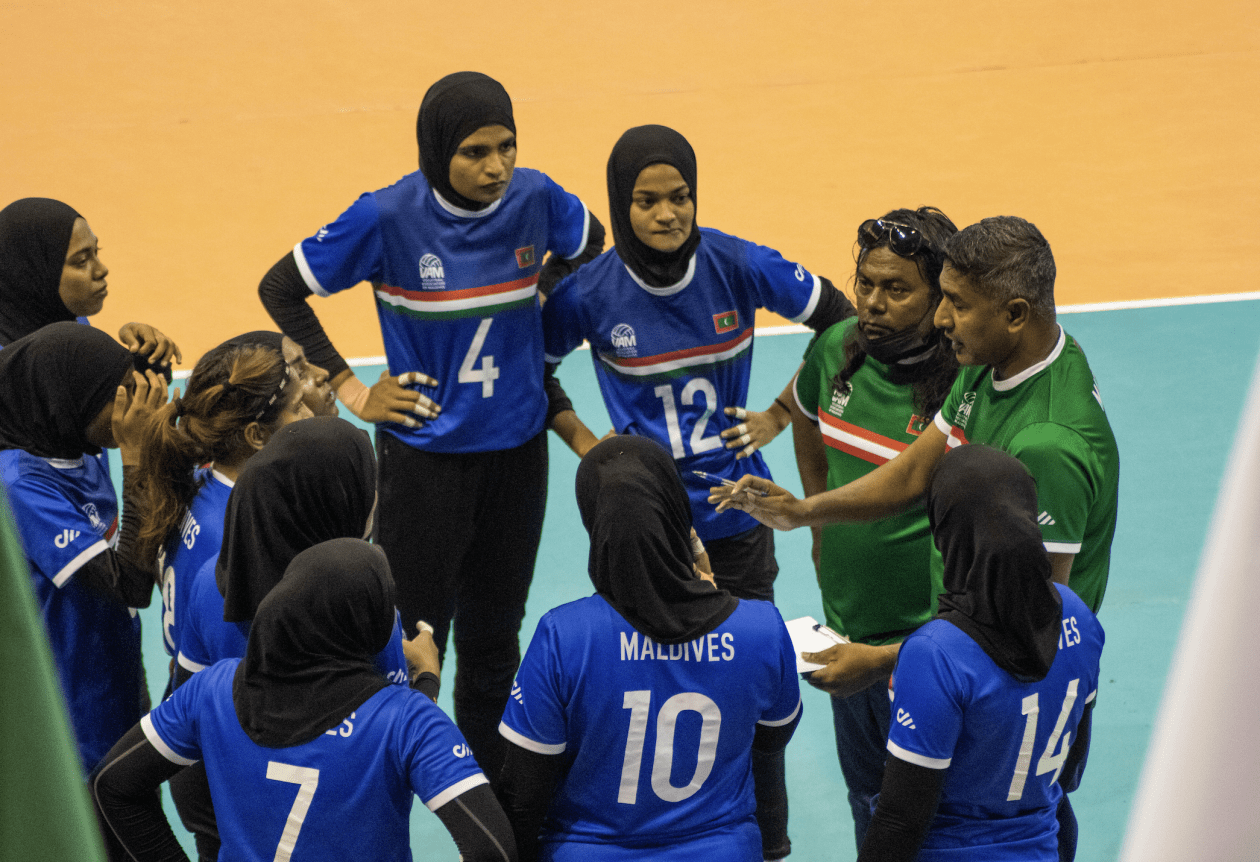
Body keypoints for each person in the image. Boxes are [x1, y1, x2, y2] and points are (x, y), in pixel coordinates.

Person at [713, 215, 1119, 860]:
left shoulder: (1048, 445)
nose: (940, 319)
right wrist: (804, 512)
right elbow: (914, 472)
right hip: (954, 653)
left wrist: (880, 661)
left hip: (1004, 702)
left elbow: (1026, 627)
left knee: (945, 826)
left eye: (956, 303)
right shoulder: (997, 362)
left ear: (1016, 314)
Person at [258, 71, 604, 782]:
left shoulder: (537, 197)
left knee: (495, 639)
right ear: (437, 150)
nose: (496, 167)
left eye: (507, 147)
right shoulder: (385, 217)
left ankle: (488, 798)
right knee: (410, 640)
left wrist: (540, 293)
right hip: (424, 465)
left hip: (517, 457)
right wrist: (351, 388)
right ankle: (393, 784)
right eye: (475, 152)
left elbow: (591, 242)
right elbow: (281, 288)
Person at [540, 125, 852, 858]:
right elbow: (535, 371)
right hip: (642, 530)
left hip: (738, 519)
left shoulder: (738, 264)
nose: (667, 214)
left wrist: (781, 412)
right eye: (647, 200)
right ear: (621, 206)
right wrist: (592, 449)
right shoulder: (588, 292)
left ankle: (766, 843)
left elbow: (840, 322)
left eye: (680, 196)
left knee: (756, 697)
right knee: (644, 685)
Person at [90, 538, 517, 862]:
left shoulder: (212, 689)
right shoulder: (408, 720)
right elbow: (493, 848)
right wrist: (426, 681)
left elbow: (112, 784)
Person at [498, 436, 801, 862]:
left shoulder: (564, 638)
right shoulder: (762, 630)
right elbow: (768, 751)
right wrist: (773, 846)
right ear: (678, 514)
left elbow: (523, 798)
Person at [789, 208, 958, 850]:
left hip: (925, 646)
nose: (873, 303)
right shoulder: (836, 349)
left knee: (930, 815)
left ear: (939, 297)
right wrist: (818, 518)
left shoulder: (962, 386)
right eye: (866, 283)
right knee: (867, 800)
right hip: (846, 630)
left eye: (897, 289)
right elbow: (805, 418)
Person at [174, 416, 412, 860]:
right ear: (334, 503)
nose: (376, 497)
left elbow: (184, 723)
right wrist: (427, 673)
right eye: (368, 484)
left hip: (233, 829)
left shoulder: (210, 582)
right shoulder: (361, 604)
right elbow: (401, 747)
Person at [856, 444, 1103, 862]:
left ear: (946, 533)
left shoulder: (936, 655)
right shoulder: (1079, 618)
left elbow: (901, 819)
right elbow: (1071, 771)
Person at [0, 322, 167, 772]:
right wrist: (137, 459)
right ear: (73, 401)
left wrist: (156, 369)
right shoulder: (19, 484)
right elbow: (130, 586)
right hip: (73, 716)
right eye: (120, 394)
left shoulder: (79, 444)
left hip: (117, 672)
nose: (132, 407)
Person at [137, 334, 313, 682]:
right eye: (298, 407)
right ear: (256, 436)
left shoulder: (197, 482)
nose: (310, 415)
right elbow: (244, 684)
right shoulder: (240, 541)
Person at [0, 197, 181, 364]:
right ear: (30, 275)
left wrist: (142, 358)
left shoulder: (71, 322)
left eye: (96, 251)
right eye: (81, 261)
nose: (102, 270)